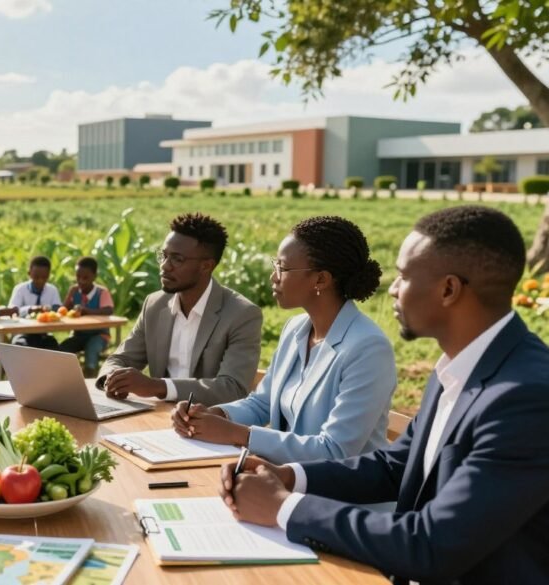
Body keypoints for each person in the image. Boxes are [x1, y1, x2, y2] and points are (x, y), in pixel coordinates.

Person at [220, 206, 549, 584]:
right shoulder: (454, 368)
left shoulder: (525, 398)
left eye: (404, 276)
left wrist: (285, 508)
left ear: (448, 289)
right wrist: (288, 475)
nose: (391, 288)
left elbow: (434, 544)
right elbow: (395, 466)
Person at [172, 216, 396, 464]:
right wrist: (215, 414)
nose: (273, 277)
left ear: (321, 279)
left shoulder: (368, 348)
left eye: (282, 267)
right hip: (287, 481)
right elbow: (262, 403)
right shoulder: (295, 329)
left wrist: (239, 434)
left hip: (338, 497)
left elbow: (334, 449)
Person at [97, 213, 262, 405]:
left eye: (177, 259)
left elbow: (232, 388)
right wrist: (112, 378)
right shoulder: (154, 305)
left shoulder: (242, 314)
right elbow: (120, 358)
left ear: (206, 266)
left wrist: (158, 387)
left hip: (209, 425)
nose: (165, 266)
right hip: (156, 419)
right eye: (164, 256)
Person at [60, 256, 115, 377]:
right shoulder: (75, 291)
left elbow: (108, 310)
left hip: (99, 335)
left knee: (91, 351)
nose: (81, 281)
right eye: (78, 277)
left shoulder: (102, 292)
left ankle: (91, 379)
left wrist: (87, 311)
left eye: (85, 278)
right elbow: (63, 311)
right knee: (61, 350)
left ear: (94, 276)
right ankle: (67, 379)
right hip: (78, 335)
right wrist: (70, 295)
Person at [9, 255, 61, 350]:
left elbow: (57, 308)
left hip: (43, 334)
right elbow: (12, 310)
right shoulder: (20, 289)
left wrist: (50, 310)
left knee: (53, 347)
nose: (40, 280)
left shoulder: (52, 290)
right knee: (20, 346)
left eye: (44, 277)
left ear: (49, 275)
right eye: (36, 277)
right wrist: (30, 309)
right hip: (22, 332)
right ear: (29, 273)